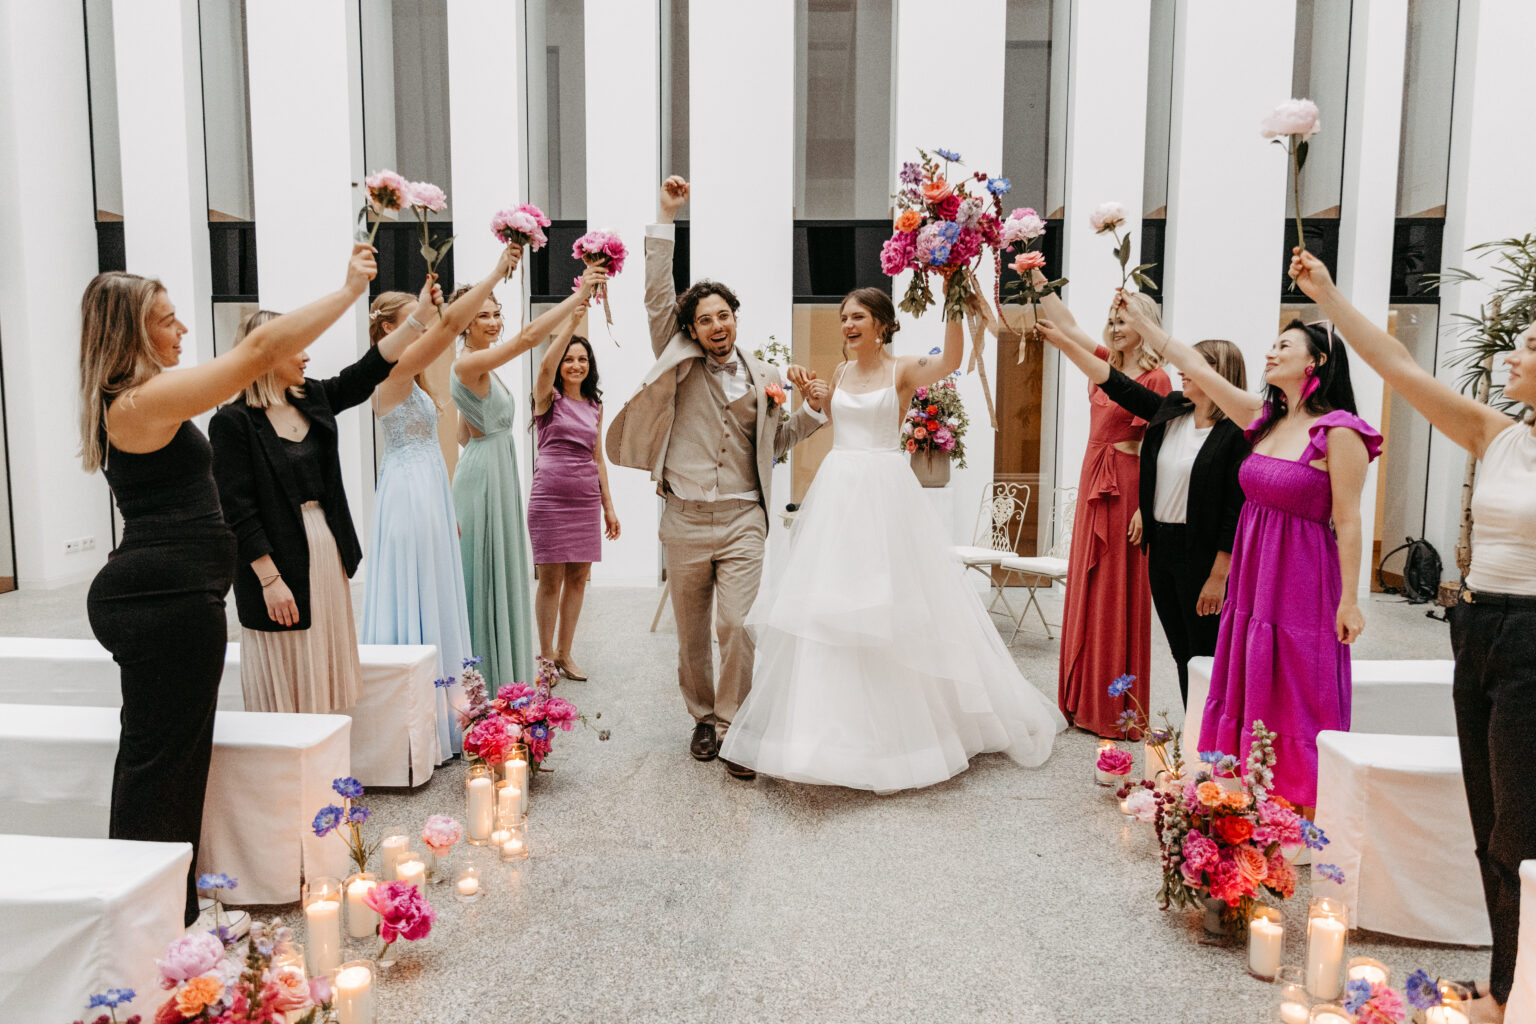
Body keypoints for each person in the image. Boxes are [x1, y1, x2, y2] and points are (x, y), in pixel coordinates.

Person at [81, 243, 375, 928]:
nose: (182, 329)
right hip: (164, 601)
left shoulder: (140, 402)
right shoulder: (137, 402)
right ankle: (157, 921)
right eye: (167, 319)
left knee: (170, 764)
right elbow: (257, 350)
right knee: (164, 768)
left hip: (173, 597)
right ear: (131, 332)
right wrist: (346, 292)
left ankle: (166, 911)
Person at [1292, 248, 1533, 1023]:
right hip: (1478, 627)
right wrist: (1327, 296)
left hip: (1535, 637)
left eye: (1529, 346)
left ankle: (1519, 989)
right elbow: (1394, 363)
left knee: (1522, 826)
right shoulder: (1498, 433)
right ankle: (1504, 984)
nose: (1514, 355)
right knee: (1490, 818)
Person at [719, 289, 1065, 791]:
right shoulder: (839, 373)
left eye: (857, 317)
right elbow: (829, 414)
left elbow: (949, 360)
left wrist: (951, 293)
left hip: (884, 492)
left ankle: (902, 738)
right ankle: (821, 737)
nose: (847, 325)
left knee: (889, 606)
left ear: (882, 323)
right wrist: (811, 393)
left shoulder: (901, 369)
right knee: (829, 610)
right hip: (837, 493)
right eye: (843, 318)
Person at [1113, 290, 1377, 811]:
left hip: (1302, 575)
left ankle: (1298, 802)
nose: (1270, 353)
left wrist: (1349, 600)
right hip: (1256, 573)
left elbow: (1348, 521)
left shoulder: (1339, 433)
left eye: (1284, 345)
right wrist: (1149, 327)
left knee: (1297, 681)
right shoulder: (1264, 418)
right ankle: (1242, 790)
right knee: (1252, 670)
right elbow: (1198, 370)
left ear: (1316, 362)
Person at [606, 175, 827, 779]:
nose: (716, 326)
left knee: (738, 625)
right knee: (692, 634)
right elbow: (657, 298)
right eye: (704, 320)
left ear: (735, 318)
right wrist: (665, 218)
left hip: (741, 521)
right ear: (692, 330)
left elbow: (774, 444)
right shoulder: (677, 363)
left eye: (723, 315)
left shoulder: (765, 375)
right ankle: (703, 716)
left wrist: (810, 411)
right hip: (683, 519)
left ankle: (733, 726)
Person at [209, 288, 435, 714]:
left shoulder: (312, 397)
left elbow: (365, 372)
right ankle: (288, 760)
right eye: (297, 349)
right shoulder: (231, 422)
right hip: (273, 554)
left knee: (323, 656)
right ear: (267, 355)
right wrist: (270, 581)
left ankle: (324, 754)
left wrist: (416, 321)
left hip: (323, 544)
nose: (306, 357)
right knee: (289, 658)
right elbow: (236, 509)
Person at [1036, 316, 1249, 707]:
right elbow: (1117, 385)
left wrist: (1220, 575)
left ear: (1219, 374)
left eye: (1195, 364)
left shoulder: (1235, 433)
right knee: (1182, 652)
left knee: (1207, 654)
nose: (1183, 370)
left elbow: (1235, 512)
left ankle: (1214, 740)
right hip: (1162, 548)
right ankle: (1195, 734)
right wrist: (1064, 344)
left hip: (1200, 554)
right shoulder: (1173, 412)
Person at [361, 244, 521, 759]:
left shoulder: (418, 375)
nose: (423, 330)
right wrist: (496, 272)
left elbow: (453, 437)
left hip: (431, 489)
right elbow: (448, 332)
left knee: (436, 592)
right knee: (416, 590)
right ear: (388, 331)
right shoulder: (389, 373)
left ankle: (447, 711)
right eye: (412, 323)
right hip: (407, 495)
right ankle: (412, 719)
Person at [451, 261, 606, 694]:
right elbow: (528, 341)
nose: (495, 321)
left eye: (497, 313)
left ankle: (501, 659)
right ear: (462, 322)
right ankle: (489, 662)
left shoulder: (477, 366)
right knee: (488, 567)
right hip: (487, 473)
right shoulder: (469, 363)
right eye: (484, 314)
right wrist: (578, 300)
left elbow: (465, 432)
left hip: (488, 463)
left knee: (494, 566)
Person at [1031, 279, 1170, 735]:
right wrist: (1037, 276)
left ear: (1145, 327)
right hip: (1095, 477)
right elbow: (1067, 324)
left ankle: (1114, 707)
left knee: (1115, 590)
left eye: (1123, 320)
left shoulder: (1156, 378)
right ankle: (1082, 698)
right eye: (1111, 319)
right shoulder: (1105, 363)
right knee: (1088, 588)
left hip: (1125, 489)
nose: (1114, 327)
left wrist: (1144, 510)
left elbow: (1160, 449)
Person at [529, 305, 621, 681]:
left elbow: (599, 459)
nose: (576, 365)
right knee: (550, 580)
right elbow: (544, 369)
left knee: (579, 578)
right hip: (550, 498)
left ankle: (566, 654)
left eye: (582, 359)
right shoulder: (547, 399)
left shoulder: (595, 406)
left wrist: (609, 508)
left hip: (584, 498)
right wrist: (569, 326)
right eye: (569, 358)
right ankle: (546, 658)